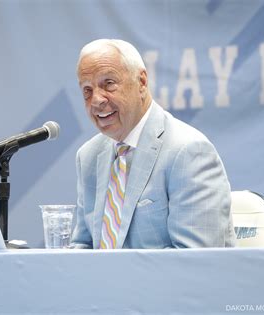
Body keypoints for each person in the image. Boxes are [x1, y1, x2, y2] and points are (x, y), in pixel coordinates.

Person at [71, 39, 235, 249]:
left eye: (109, 84)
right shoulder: (88, 156)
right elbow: (83, 246)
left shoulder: (189, 151)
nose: (96, 100)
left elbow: (196, 262)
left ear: (141, 82)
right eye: (87, 90)